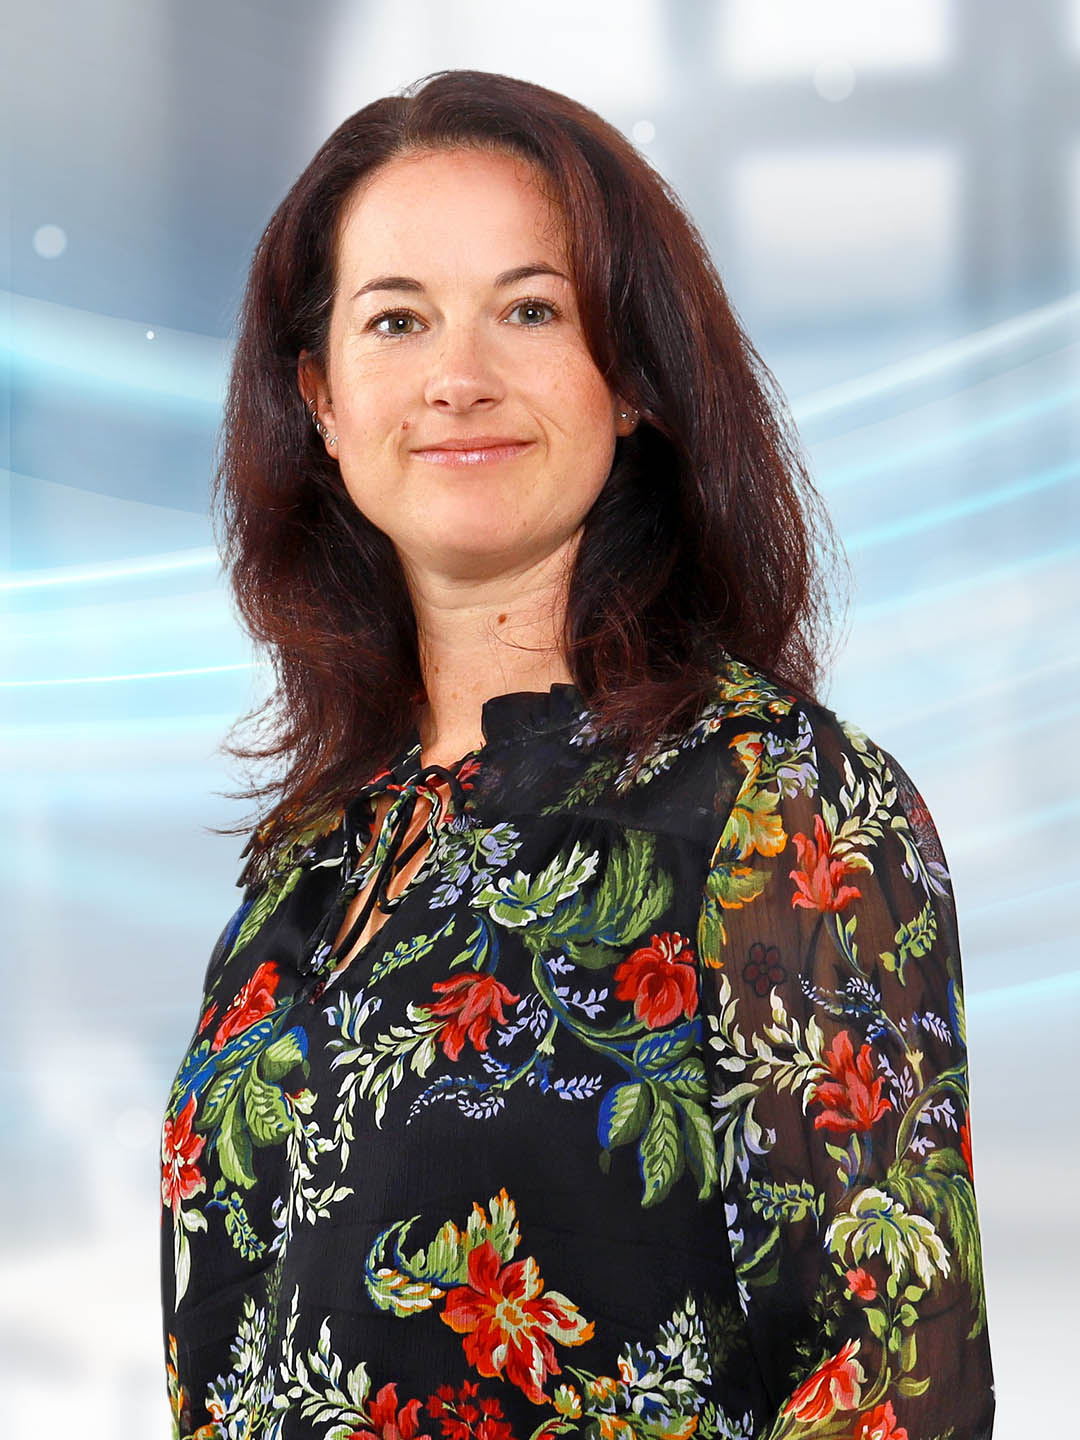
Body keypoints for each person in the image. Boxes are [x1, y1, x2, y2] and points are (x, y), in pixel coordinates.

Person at [160, 68, 995, 1440]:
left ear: (635, 387)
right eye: (397, 320)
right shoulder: (310, 858)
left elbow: (898, 1384)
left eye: (531, 310)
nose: (457, 377)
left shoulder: (782, 805)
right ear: (319, 396)